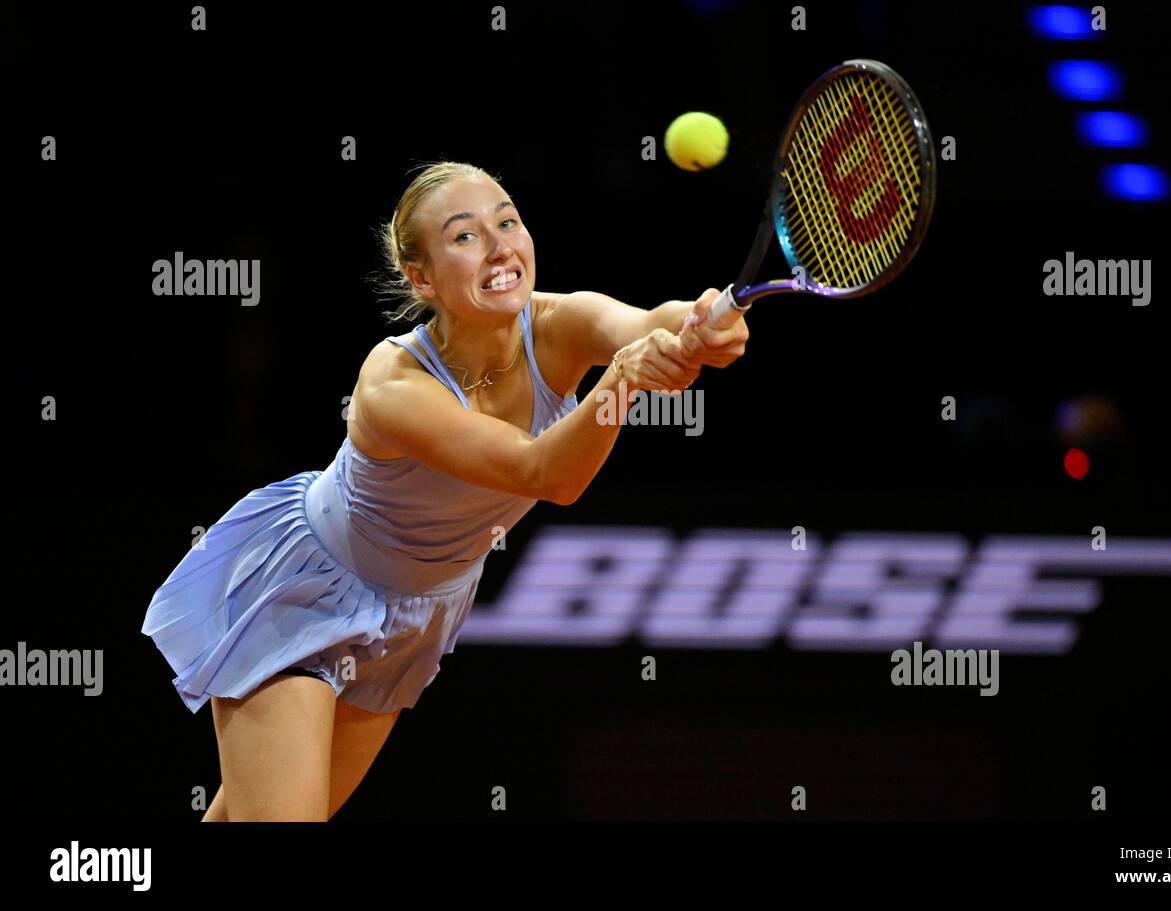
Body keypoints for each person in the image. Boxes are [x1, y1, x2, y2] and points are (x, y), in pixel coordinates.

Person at [140, 160, 749, 821]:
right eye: (464, 235)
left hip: (416, 618)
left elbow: (646, 323)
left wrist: (697, 327)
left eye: (508, 221)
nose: (499, 245)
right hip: (305, 591)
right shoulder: (391, 384)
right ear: (421, 276)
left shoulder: (560, 324)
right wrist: (622, 381)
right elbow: (547, 474)